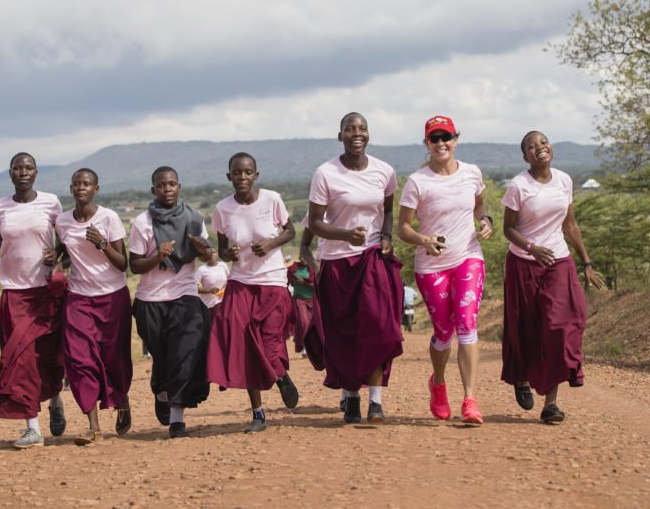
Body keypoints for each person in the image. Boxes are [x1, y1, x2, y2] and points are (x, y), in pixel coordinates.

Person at [501, 131, 605, 423]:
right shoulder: (519, 186)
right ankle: (521, 379)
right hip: (524, 263)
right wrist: (532, 248)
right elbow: (508, 230)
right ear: (526, 157)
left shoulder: (564, 180)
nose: (539, 148)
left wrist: (586, 262)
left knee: (561, 325)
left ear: (551, 147)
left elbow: (570, 224)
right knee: (526, 329)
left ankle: (551, 403)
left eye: (543, 143)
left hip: (559, 262)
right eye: (531, 147)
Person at [307, 112, 404, 424]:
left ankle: (375, 399)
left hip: (372, 257)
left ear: (368, 135)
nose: (356, 133)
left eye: (362, 128)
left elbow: (388, 211)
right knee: (342, 333)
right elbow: (315, 223)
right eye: (350, 129)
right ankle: (350, 395)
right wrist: (345, 235)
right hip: (336, 262)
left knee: (378, 325)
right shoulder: (325, 174)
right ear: (341, 136)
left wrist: (386, 237)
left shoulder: (384, 171)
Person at [397, 115, 492, 425]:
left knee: (466, 323)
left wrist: (486, 221)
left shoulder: (472, 173)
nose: (441, 144)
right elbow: (403, 228)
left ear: (456, 140)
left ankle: (470, 400)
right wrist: (424, 239)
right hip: (432, 266)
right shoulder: (417, 181)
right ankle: (438, 383)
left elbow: (480, 204)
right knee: (443, 333)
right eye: (434, 139)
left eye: (446, 137)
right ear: (427, 143)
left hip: (468, 256)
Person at [207, 153, 299, 433]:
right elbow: (222, 250)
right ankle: (258, 414)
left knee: (270, 343)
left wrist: (271, 244)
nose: (242, 177)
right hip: (240, 282)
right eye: (237, 173)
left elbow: (290, 231)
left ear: (256, 175)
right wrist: (228, 253)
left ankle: (281, 377)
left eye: (248, 172)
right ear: (229, 177)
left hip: (272, 282)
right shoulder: (223, 209)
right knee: (243, 345)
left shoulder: (271, 199)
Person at [0, 152, 67, 448]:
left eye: (28, 167)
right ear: (10, 173)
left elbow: (65, 237)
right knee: (20, 359)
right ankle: (32, 426)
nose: (23, 172)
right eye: (17, 168)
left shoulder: (51, 202)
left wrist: (56, 254)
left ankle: (55, 399)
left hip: (45, 290)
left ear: (36, 172)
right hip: (13, 290)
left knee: (47, 353)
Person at [129, 166, 212, 439]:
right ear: (153, 190)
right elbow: (135, 266)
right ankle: (160, 388)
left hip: (185, 294)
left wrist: (204, 251)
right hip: (150, 300)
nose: (167, 189)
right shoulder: (143, 222)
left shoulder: (194, 218)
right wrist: (157, 256)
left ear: (179, 187)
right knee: (162, 357)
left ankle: (177, 418)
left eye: (172, 184)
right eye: (161, 185)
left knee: (184, 354)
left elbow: (210, 257)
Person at [55, 169, 133, 445]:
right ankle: (93, 425)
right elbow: (64, 253)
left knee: (115, 358)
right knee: (79, 360)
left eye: (86, 184)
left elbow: (123, 264)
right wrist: (54, 258)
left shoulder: (109, 217)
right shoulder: (62, 221)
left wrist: (101, 244)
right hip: (79, 297)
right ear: (71, 188)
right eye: (76, 184)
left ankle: (121, 400)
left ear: (96, 188)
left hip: (113, 297)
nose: (80, 188)